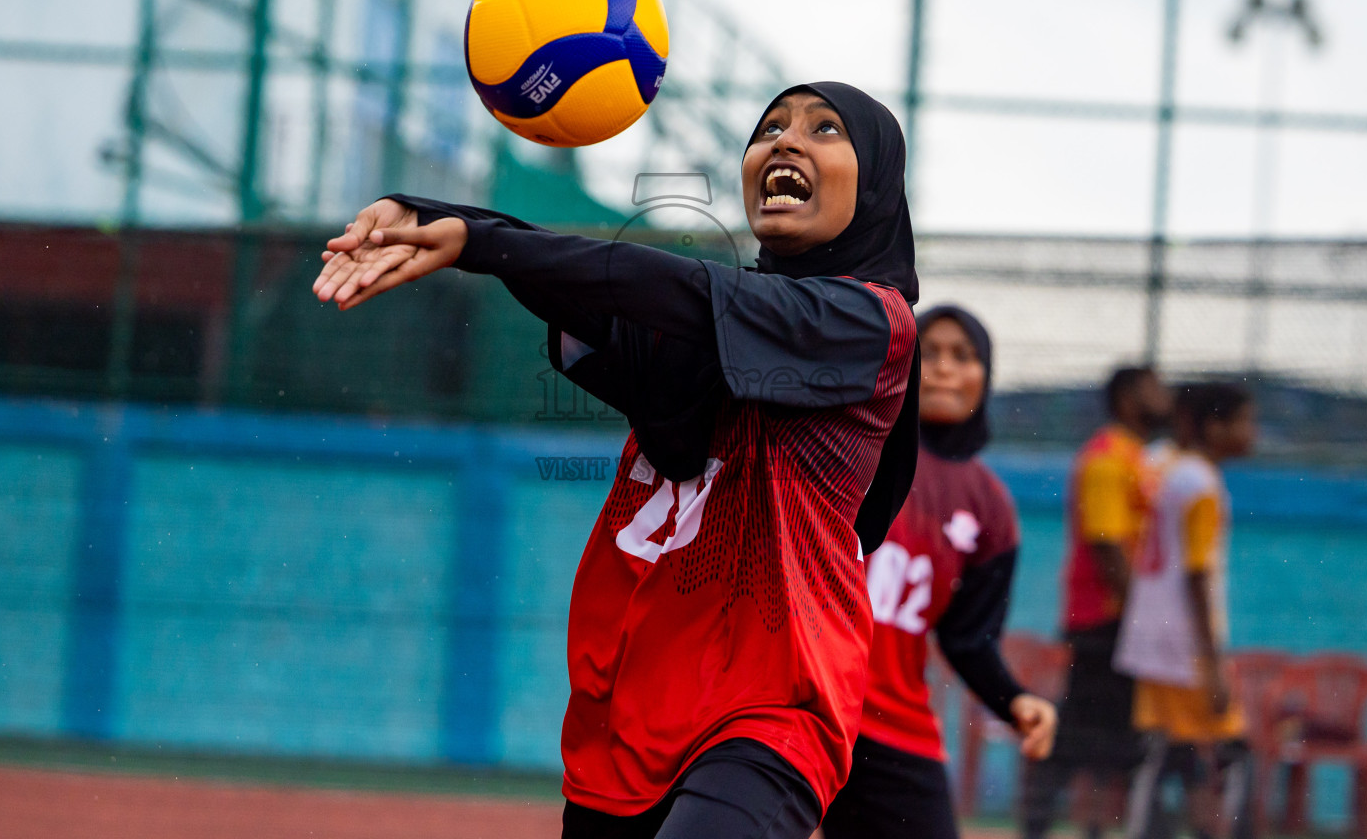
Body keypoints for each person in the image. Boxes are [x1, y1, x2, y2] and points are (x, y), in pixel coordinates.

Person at [312, 82, 920, 839]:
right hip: (631, 707)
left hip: (772, 708)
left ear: (878, 185)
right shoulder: (701, 325)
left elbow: (674, 288)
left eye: (825, 130)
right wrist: (450, 220)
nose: (786, 141)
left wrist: (480, 240)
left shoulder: (867, 323)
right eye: (769, 128)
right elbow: (602, 293)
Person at [823, 304, 1058, 839]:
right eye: (931, 353)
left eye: (965, 355)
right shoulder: (847, 445)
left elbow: (968, 636)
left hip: (892, 727)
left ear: (986, 378)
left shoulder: (990, 508)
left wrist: (1013, 698)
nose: (946, 368)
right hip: (799, 704)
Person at [1021, 365, 1173, 839]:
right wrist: (1144, 621)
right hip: (1105, 622)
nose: (1164, 397)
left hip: (1120, 622)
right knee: (1081, 736)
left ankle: (1084, 826)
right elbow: (1108, 546)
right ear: (1128, 398)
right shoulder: (1107, 459)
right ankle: (1037, 822)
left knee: (1109, 738)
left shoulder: (1139, 460)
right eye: (1154, 387)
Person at [1116, 382, 1256, 839]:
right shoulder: (1202, 483)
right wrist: (1213, 662)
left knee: (1175, 753)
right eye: (1244, 422)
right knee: (1225, 754)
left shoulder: (1164, 466)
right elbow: (1197, 574)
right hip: (1187, 646)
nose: (1252, 433)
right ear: (1213, 428)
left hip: (1151, 635)